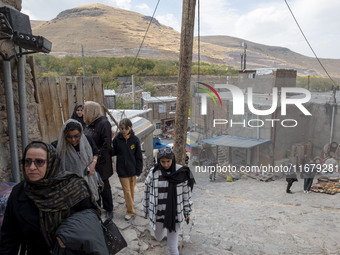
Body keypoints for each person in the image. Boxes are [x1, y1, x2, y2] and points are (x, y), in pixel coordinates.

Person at [0, 141, 103, 254]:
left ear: (51, 162)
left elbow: (91, 217)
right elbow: (9, 235)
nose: (32, 167)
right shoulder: (19, 193)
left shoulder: (74, 186)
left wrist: (70, 235)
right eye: (27, 161)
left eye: (39, 162)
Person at [143, 147, 195, 255]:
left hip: (174, 215)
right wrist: (146, 210)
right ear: (159, 161)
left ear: (173, 159)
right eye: (163, 162)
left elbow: (186, 195)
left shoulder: (180, 173)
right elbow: (146, 192)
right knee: (158, 237)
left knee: (172, 246)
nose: (166, 164)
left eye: (168, 161)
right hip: (158, 214)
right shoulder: (153, 173)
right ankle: (161, 232)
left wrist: (187, 212)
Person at [83, 101, 114, 220]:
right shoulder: (89, 124)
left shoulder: (103, 123)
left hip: (101, 161)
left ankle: (109, 208)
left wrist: (96, 156)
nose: (84, 113)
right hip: (90, 160)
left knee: (104, 185)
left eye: (86, 110)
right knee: (93, 184)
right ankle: (98, 205)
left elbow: (107, 144)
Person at [56, 119, 100, 202]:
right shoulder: (59, 146)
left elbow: (96, 152)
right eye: (69, 137)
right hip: (71, 186)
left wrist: (93, 164)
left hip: (88, 180)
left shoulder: (87, 140)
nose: (73, 139)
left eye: (76, 136)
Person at [112, 118, 143, 221]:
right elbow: (114, 152)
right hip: (122, 170)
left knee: (131, 190)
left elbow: (139, 157)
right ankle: (130, 211)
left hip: (132, 170)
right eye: (122, 128)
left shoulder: (135, 140)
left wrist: (139, 170)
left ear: (130, 128)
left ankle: (129, 204)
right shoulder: (116, 139)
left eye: (126, 128)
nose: (124, 130)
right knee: (127, 191)